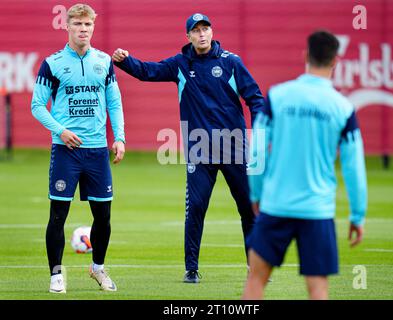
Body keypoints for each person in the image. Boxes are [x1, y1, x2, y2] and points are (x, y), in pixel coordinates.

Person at [112, 13, 264, 283]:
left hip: (235, 148)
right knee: (195, 207)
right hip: (200, 150)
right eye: (196, 30)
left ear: (212, 32)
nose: (202, 34)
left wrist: (263, 134)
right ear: (188, 37)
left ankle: (256, 267)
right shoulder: (180, 64)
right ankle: (191, 269)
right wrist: (125, 61)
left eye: (206, 29)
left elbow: (255, 99)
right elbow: (148, 71)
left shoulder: (231, 63)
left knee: (248, 208)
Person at [242, 30, 368, 300]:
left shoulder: (278, 96)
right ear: (335, 61)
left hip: (276, 205)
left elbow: (256, 150)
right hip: (317, 210)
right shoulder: (343, 108)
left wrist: (256, 194)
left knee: (256, 279)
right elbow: (354, 167)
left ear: (305, 56)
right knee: (318, 289)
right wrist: (357, 215)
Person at [31, 4, 125, 293]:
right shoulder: (54, 63)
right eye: (78, 24)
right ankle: (56, 275)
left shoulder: (104, 62)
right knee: (58, 214)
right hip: (65, 151)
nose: (83, 29)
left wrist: (119, 136)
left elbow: (114, 103)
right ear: (68, 26)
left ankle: (97, 268)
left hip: (96, 152)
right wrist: (61, 130)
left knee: (104, 216)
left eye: (88, 24)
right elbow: (37, 106)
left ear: (93, 27)